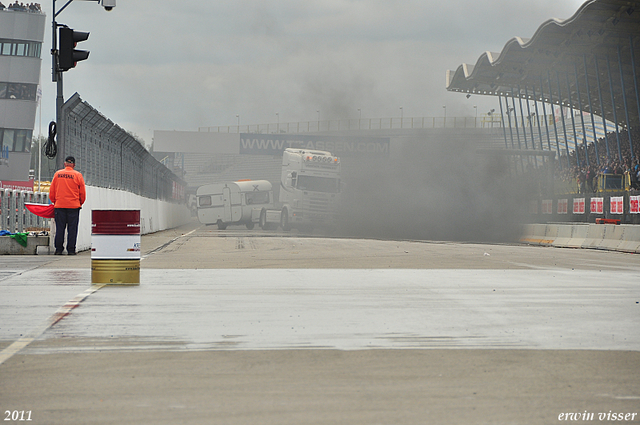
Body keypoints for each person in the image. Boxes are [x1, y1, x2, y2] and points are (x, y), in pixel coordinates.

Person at [49, 156, 86, 255]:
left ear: (65, 164)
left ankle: (58, 249)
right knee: (72, 229)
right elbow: (82, 193)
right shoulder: (78, 175)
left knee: (60, 229)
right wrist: (80, 202)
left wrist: (55, 202)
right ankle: (71, 250)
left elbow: (52, 191)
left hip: (60, 206)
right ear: (73, 165)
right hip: (74, 206)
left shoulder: (58, 174)